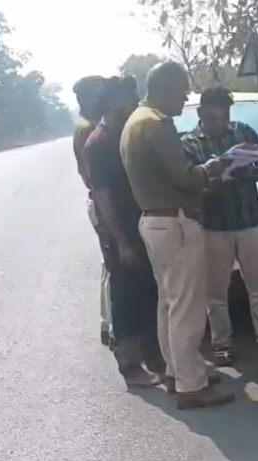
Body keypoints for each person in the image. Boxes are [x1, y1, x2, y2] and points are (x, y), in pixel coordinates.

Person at [120, 61, 233, 409]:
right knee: (187, 307)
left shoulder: (135, 121)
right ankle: (191, 385)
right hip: (174, 223)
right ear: (166, 88)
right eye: (182, 91)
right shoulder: (157, 124)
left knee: (169, 303)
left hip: (155, 222)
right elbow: (184, 176)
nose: (185, 98)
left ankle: (176, 371)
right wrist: (211, 169)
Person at [180, 87, 258, 366]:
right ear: (201, 113)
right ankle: (222, 344)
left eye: (224, 117)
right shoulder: (189, 144)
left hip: (250, 221)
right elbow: (189, 187)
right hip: (214, 227)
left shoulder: (243, 132)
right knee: (216, 292)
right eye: (213, 118)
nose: (220, 124)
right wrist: (216, 179)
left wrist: (243, 171)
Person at [84, 76, 164, 386]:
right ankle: (130, 367)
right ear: (114, 100)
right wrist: (122, 242)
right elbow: (103, 196)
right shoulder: (99, 143)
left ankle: (155, 357)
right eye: (130, 97)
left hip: (142, 224)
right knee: (126, 298)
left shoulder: (126, 133)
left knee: (149, 293)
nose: (134, 102)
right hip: (120, 232)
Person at [72, 75, 112, 346]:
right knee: (116, 268)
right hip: (103, 204)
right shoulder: (90, 130)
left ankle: (108, 322)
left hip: (99, 202)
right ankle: (115, 327)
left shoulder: (87, 126)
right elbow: (95, 180)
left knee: (110, 266)